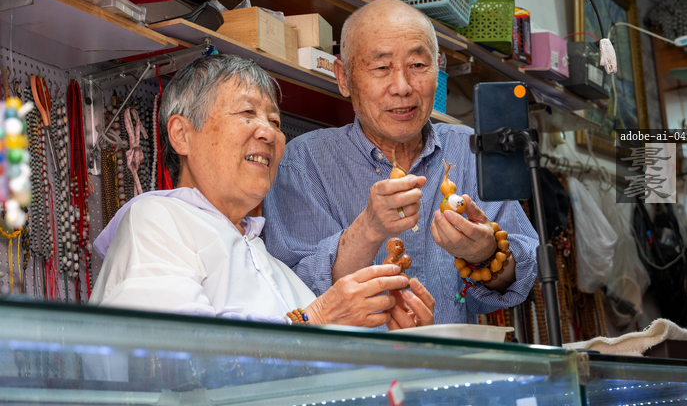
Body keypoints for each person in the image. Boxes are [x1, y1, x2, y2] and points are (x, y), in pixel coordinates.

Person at [89, 54, 434, 331]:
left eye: (275, 122)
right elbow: (176, 357)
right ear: (182, 134)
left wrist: (397, 343)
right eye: (247, 113)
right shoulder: (158, 220)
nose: (269, 133)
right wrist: (318, 317)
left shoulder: (274, 268)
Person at [263, 0, 539, 325]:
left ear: (437, 69)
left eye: (418, 65)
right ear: (344, 78)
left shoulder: (470, 150)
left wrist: (486, 254)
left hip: (447, 356)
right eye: (381, 68)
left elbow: (521, 278)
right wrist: (368, 229)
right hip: (353, 359)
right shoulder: (302, 162)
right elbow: (292, 295)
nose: (403, 87)